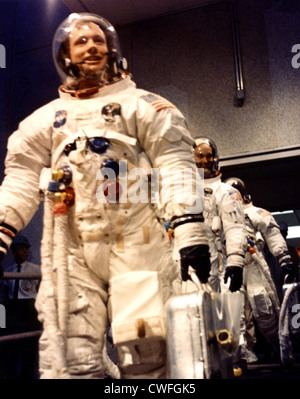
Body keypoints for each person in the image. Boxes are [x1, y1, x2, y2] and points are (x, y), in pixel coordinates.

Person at [0, 13, 210, 379]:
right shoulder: (43, 121)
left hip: (137, 243)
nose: (91, 46)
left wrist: (190, 231)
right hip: (70, 250)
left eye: (98, 40)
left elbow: (176, 165)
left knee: (144, 353)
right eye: (80, 42)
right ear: (65, 55)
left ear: (111, 50)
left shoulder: (144, 106)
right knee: (69, 358)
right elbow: (19, 180)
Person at [193, 137, 249, 375]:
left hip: (214, 265)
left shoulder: (225, 191)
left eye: (208, 155)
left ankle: (230, 364)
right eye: (200, 156)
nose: (205, 160)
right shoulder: (179, 190)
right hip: (182, 265)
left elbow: (236, 228)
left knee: (221, 321)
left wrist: (235, 261)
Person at [224, 177, 295, 362]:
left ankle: (282, 348)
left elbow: (273, 234)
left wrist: (284, 259)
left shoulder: (257, 213)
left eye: (235, 192)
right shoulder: (221, 215)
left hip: (254, 265)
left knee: (264, 309)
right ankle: (243, 355)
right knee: (236, 312)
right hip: (231, 267)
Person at [0, 234, 41, 379]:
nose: (22, 252)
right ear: (13, 251)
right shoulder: (7, 270)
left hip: (29, 312)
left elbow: (41, 292)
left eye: (25, 249)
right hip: (13, 313)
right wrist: (2, 322)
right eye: (19, 249)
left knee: (29, 353)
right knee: (11, 351)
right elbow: (4, 297)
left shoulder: (36, 270)